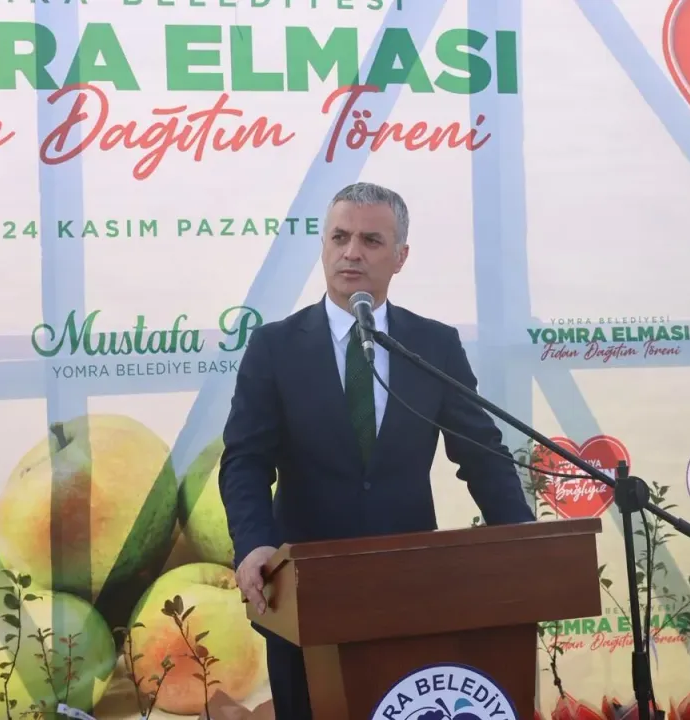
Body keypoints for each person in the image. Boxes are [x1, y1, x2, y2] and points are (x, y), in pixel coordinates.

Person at [217, 181, 535, 718]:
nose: (352, 252)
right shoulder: (275, 347)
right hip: (302, 595)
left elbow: (480, 452)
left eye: (371, 240)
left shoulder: (433, 345)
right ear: (323, 246)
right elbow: (245, 459)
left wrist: (523, 537)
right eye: (339, 237)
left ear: (400, 257)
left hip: (411, 592)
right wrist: (253, 543)